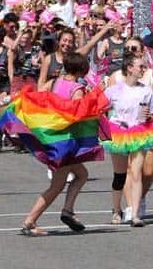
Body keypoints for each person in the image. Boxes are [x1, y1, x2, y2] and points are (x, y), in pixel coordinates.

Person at [18, 53, 99, 236]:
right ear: (81, 70)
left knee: (81, 174)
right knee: (57, 185)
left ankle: (68, 211)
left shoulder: (54, 82)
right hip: (65, 142)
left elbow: (38, 98)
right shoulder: (78, 88)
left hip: (53, 139)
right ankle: (30, 221)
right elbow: (77, 114)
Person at [102, 54, 153, 227]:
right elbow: (101, 108)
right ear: (129, 68)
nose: (143, 70)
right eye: (140, 66)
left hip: (139, 133)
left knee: (136, 173)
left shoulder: (146, 90)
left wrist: (150, 117)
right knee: (120, 175)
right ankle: (116, 209)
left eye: (144, 67)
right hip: (119, 132)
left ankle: (135, 213)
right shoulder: (114, 90)